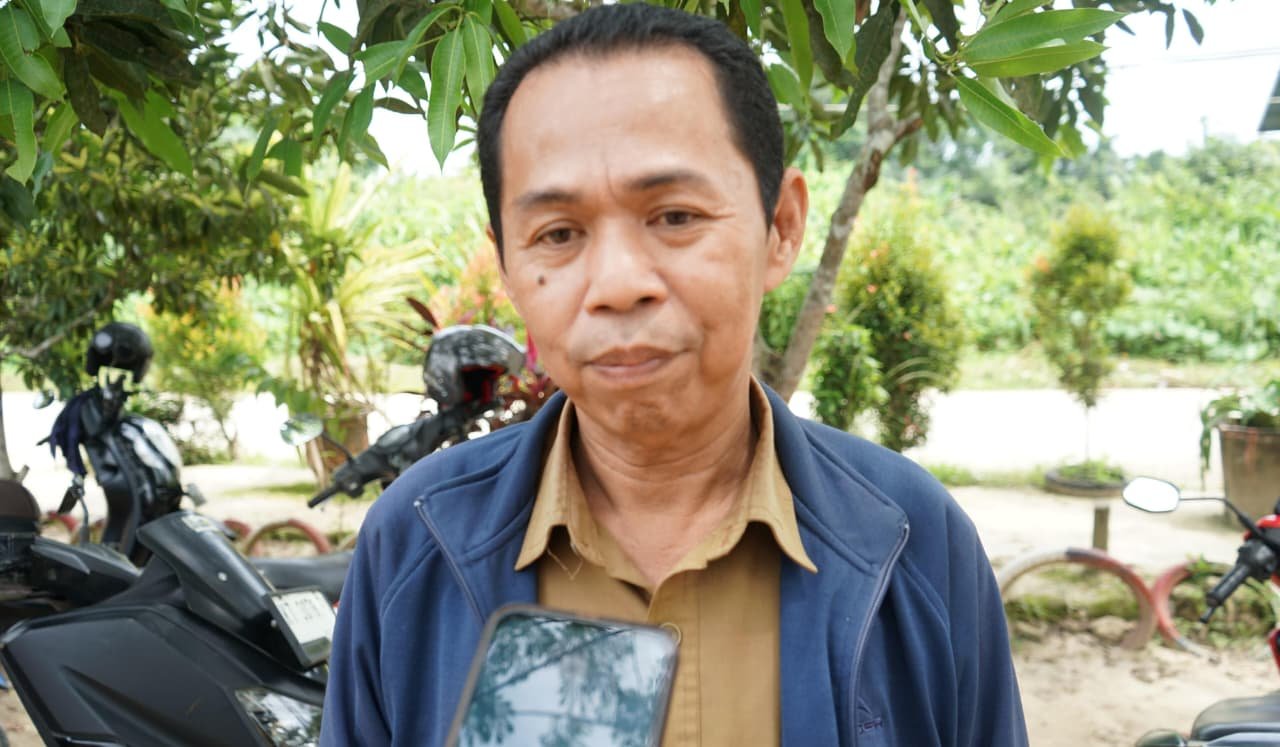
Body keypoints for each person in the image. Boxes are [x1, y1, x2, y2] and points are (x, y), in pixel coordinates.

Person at [321, 4, 1028, 745]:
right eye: (558, 233)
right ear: (506, 264)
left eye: (676, 217)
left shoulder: (915, 541)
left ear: (781, 228)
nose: (618, 284)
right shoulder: (413, 545)